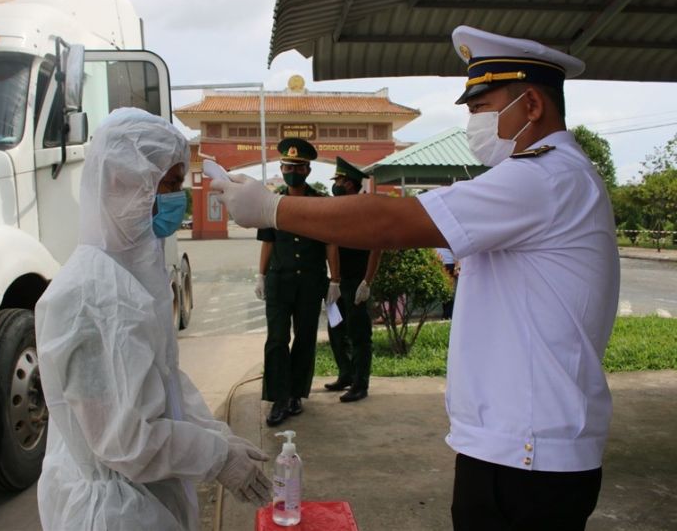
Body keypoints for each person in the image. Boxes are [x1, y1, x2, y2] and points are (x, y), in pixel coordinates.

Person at [212, 26, 620, 530]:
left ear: (531, 104)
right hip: (516, 444)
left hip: (527, 451)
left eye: (481, 107)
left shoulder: (545, 176)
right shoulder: (544, 178)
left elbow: (390, 222)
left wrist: (273, 207)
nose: (473, 122)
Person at [35, 108, 270, 531]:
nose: (176, 199)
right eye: (170, 185)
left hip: (146, 501)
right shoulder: (92, 295)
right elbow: (127, 441)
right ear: (119, 181)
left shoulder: (130, 274)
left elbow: (163, 383)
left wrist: (216, 436)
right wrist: (216, 458)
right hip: (114, 514)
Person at [255, 137, 341, 427]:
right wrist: (261, 275)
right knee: (277, 340)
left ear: (307, 170)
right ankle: (278, 398)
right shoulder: (271, 202)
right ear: (281, 168)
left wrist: (335, 280)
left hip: (310, 283)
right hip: (280, 282)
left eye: (297, 166)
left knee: (305, 340)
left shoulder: (321, 204)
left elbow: (331, 243)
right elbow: (267, 242)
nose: (291, 170)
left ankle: (295, 395)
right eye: (287, 166)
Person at [324, 157, 382, 403]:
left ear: (349, 183)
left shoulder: (366, 210)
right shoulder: (337, 208)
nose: (335, 184)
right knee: (335, 329)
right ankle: (345, 374)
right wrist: (333, 280)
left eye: (338, 180)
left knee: (359, 335)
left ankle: (360, 384)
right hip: (338, 282)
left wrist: (367, 282)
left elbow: (376, 248)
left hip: (357, 281)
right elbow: (332, 244)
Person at [435, 247, 457, 319]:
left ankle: (448, 314)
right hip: (439, 263)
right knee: (444, 290)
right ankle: (447, 314)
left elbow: (455, 249)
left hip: (449, 263)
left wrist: (457, 265)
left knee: (448, 290)